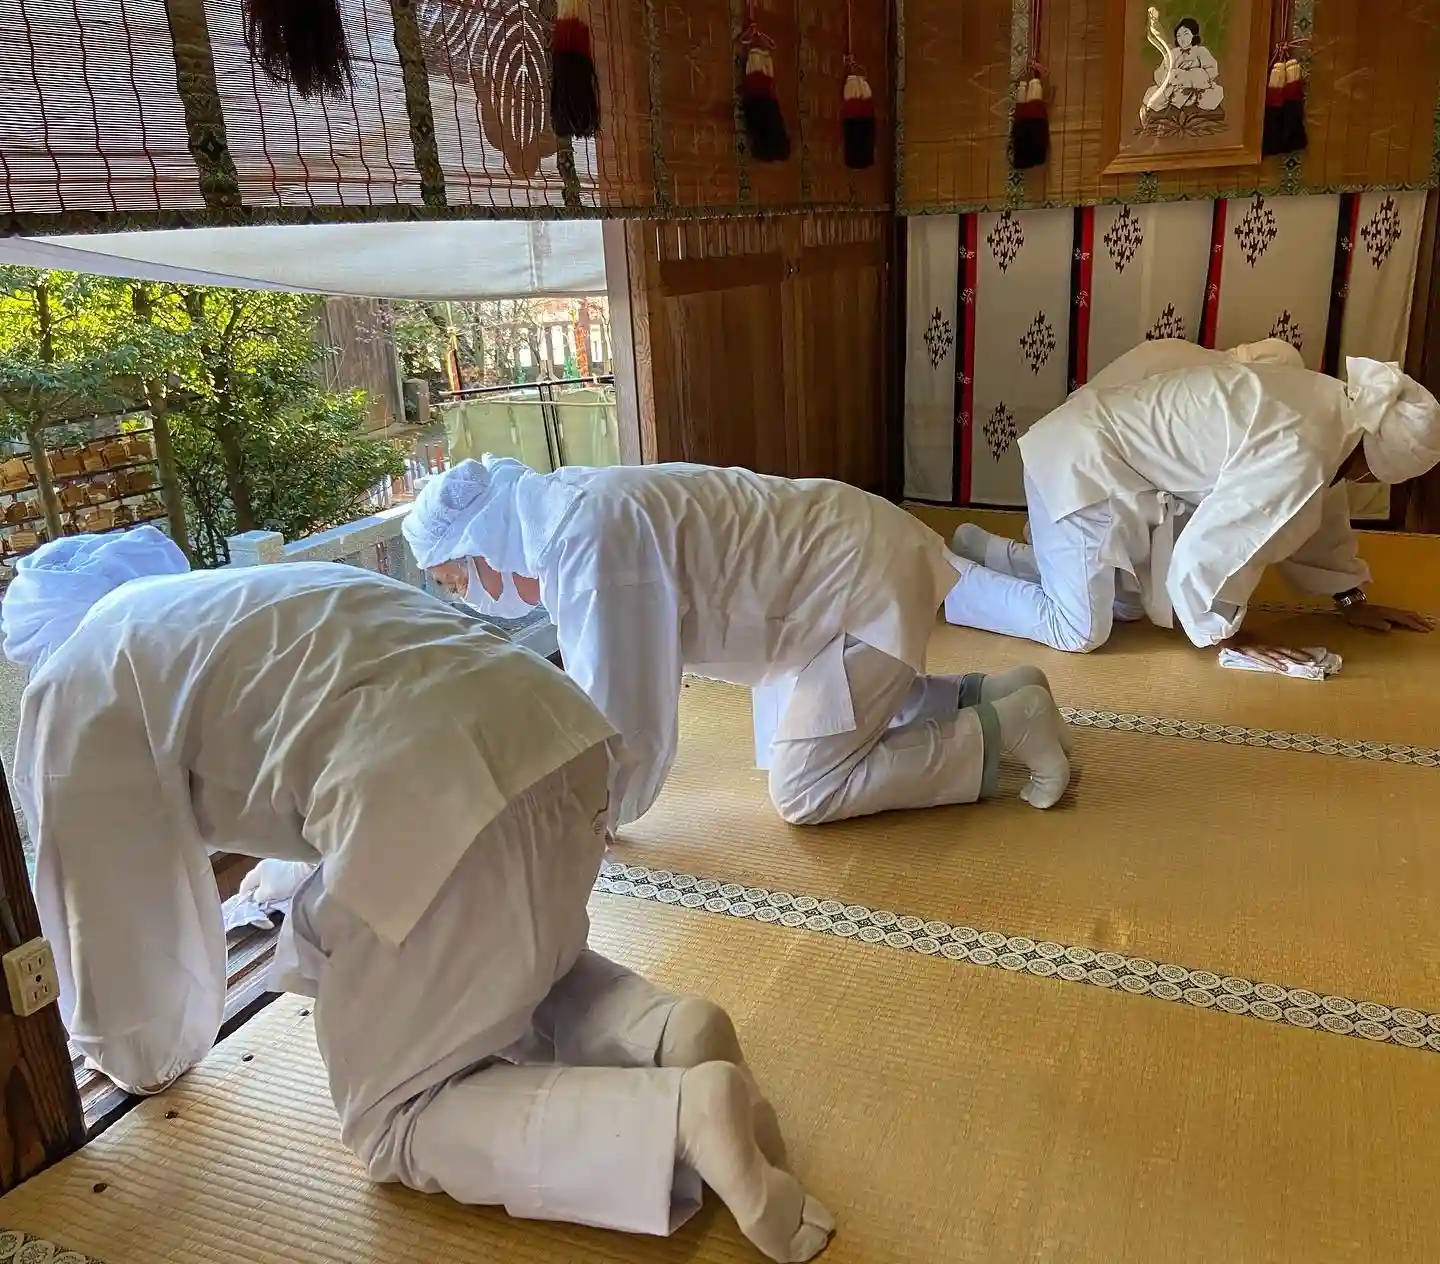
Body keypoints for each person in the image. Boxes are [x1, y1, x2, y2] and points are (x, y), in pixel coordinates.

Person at [2, 526, 833, 1263]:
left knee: (395, 1117)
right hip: (558, 736)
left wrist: (138, 1061)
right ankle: (659, 1031)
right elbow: (308, 741)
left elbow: (107, 921)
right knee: (498, 963)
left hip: (423, 794)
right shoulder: (227, 599)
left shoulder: (79, 675)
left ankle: (678, 1120)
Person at [403, 460, 1072, 830]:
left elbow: (623, 716)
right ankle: (990, 694)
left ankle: (1006, 728)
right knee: (829, 720)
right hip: (844, 562)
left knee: (805, 787)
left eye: (458, 579)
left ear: (483, 544)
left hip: (850, 584)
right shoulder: (570, 509)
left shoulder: (587, 547)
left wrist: (592, 819)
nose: (466, 595)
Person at [942, 347, 1439, 658]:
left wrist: (1350, 598)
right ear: (1379, 464)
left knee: (1124, 604)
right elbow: (1210, 549)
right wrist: (1224, 636)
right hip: (1080, 463)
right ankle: (943, 577)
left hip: (1101, 456)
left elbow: (1318, 514)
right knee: (1078, 630)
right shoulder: (1302, 452)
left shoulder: (1333, 408)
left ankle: (982, 549)